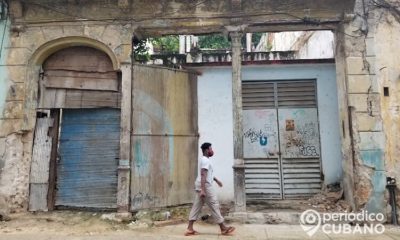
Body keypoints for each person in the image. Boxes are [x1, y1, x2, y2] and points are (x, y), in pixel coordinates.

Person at [185, 142, 235, 236]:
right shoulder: (205, 161)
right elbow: (203, 174)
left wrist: (216, 180)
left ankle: (189, 228)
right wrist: (203, 189)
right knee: (214, 204)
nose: (212, 151)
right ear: (206, 150)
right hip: (205, 185)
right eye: (211, 149)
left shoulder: (205, 160)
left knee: (197, 206)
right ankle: (223, 228)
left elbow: (207, 174)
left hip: (201, 184)